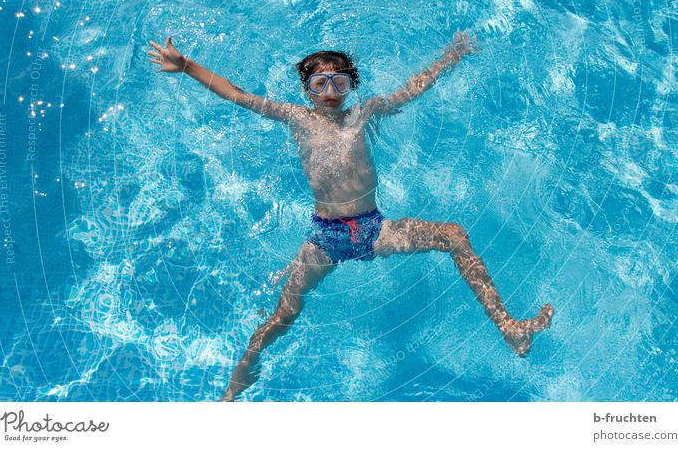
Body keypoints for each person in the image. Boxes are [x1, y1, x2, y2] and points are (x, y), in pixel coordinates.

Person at [147, 32, 554, 401]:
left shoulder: (364, 114)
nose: (329, 92)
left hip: (374, 228)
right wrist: (186, 66)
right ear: (306, 90)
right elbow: (237, 95)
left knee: (454, 235)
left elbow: (409, 91)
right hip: (325, 238)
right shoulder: (296, 118)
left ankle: (509, 328)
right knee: (285, 314)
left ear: (350, 85)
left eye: (339, 82)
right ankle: (235, 388)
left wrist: (450, 57)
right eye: (319, 84)